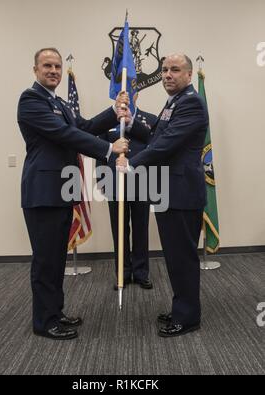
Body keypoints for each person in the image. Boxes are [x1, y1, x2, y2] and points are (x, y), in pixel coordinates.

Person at [17, 48, 130, 340]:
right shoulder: (31, 100)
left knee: (56, 258)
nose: (54, 70)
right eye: (47, 66)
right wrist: (108, 148)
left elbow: (86, 127)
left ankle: (55, 312)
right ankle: (44, 322)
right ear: (35, 70)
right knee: (46, 261)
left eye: (56, 66)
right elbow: (64, 134)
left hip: (63, 191)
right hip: (43, 193)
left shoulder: (62, 104)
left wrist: (114, 110)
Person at [116, 54, 209, 337]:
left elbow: (166, 145)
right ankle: (181, 307)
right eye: (165, 69)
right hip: (169, 192)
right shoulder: (174, 103)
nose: (168, 74)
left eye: (175, 70)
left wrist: (132, 163)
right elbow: (157, 137)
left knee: (182, 257)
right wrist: (132, 124)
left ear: (189, 75)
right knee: (175, 256)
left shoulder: (191, 102)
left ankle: (188, 317)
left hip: (182, 193)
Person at [96, 94, 157, 290]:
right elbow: (101, 153)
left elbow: (156, 149)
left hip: (141, 181)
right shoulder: (108, 121)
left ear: (138, 94)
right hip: (115, 183)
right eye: (124, 93)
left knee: (141, 229)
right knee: (119, 230)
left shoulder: (150, 119)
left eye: (132, 92)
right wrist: (102, 180)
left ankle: (141, 273)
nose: (128, 96)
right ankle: (122, 273)